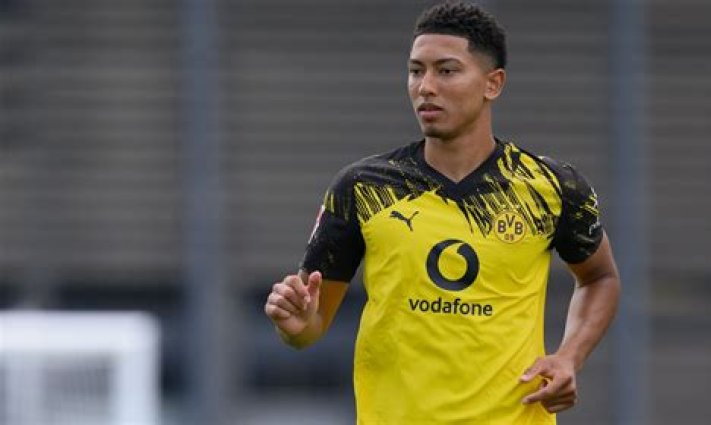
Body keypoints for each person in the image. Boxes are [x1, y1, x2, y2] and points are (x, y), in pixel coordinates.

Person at [264, 1, 621, 423]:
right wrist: (295, 325)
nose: (425, 87)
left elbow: (600, 278)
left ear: (493, 84)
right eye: (416, 71)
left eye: (446, 71)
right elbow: (310, 324)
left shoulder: (550, 188)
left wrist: (568, 357)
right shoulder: (363, 188)